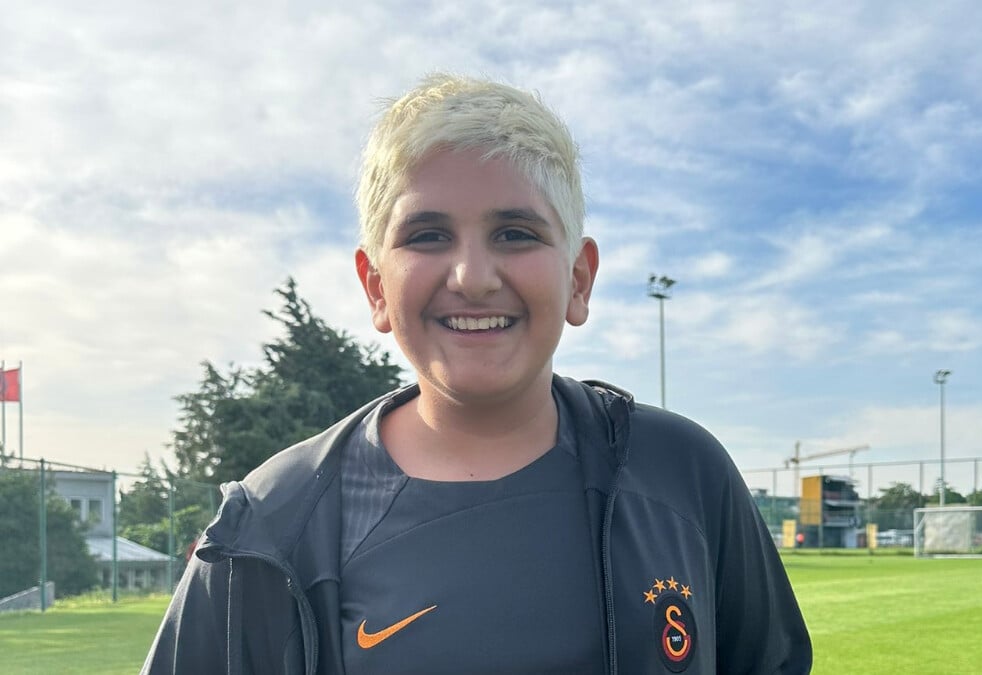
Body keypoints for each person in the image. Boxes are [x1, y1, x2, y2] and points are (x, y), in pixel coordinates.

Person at [142, 73, 812, 674]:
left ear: (579, 279)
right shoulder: (273, 523)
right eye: (427, 235)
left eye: (515, 233)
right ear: (376, 287)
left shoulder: (683, 473)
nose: (472, 276)